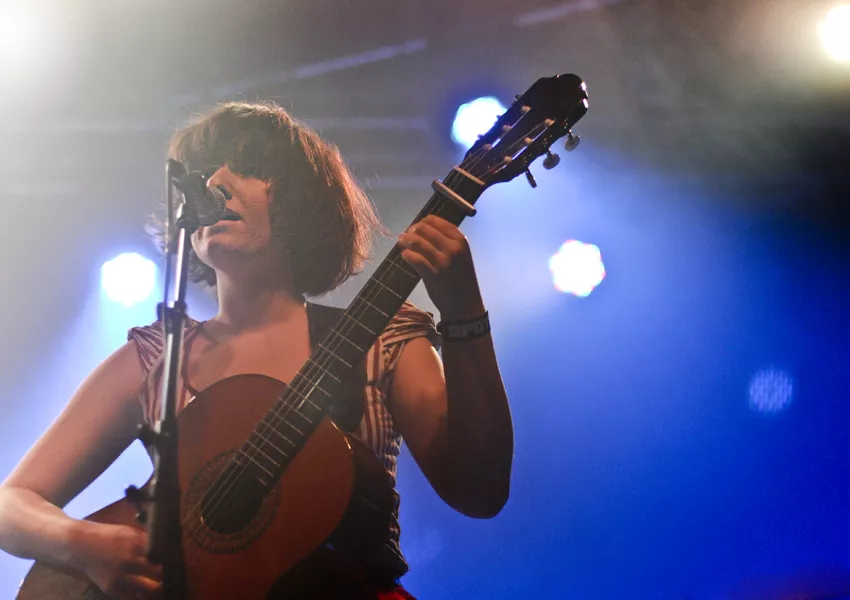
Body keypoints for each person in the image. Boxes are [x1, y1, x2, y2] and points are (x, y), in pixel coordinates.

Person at [0, 102, 513, 599]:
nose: (215, 182)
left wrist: (464, 313)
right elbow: (11, 504)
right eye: (204, 171)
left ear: (302, 199)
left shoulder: (382, 339)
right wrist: (86, 545)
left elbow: (479, 491)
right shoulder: (154, 357)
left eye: (247, 167)